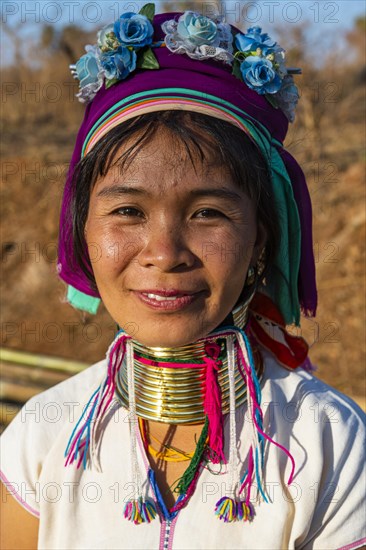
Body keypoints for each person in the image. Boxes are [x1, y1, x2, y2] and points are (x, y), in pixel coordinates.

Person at [1, 6, 365, 550]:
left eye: (208, 213)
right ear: (79, 230)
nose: (165, 254)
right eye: (127, 212)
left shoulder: (326, 440)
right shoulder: (42, 435)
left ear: (261, 238)